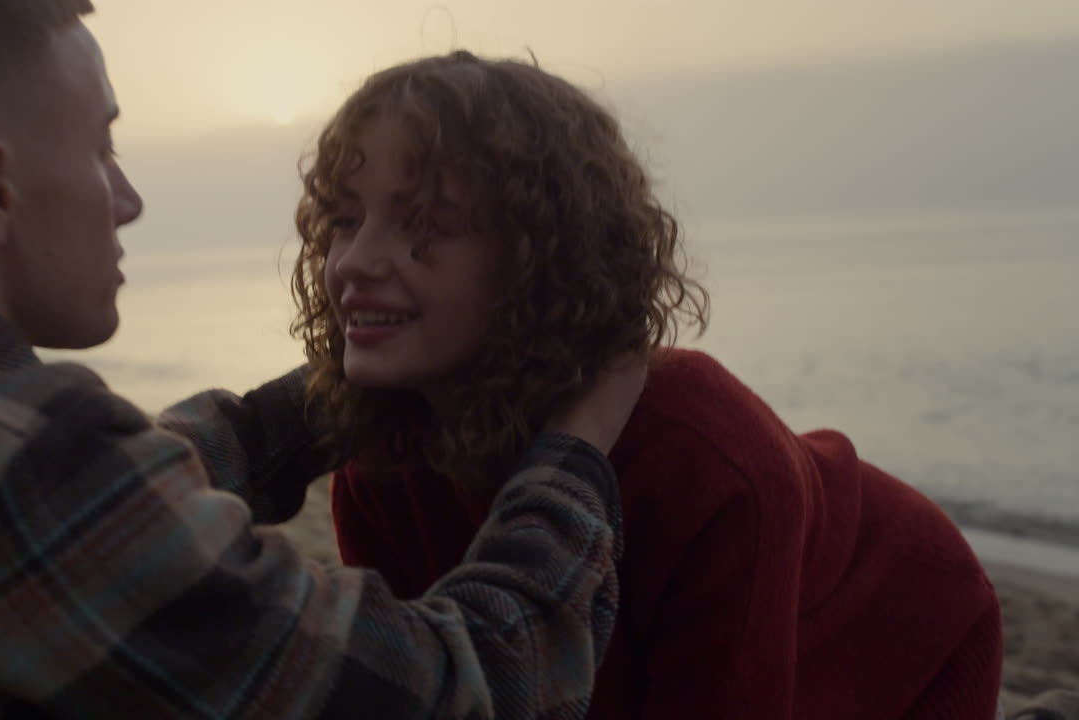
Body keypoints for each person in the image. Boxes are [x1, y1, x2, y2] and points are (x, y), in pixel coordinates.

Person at [0, 4, 648, 718]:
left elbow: (111, 498)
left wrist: (324, 403)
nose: (128, 203)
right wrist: (571, 457)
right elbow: (470, 687)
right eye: (103, 150)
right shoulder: (23, 475)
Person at [291, 50, 1005, 719]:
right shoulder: (378, 464)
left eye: (427, 224)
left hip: (902, 636)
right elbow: (437, 694)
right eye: (345, 219)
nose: (353, 262)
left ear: (539, 259)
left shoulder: (705, 464)